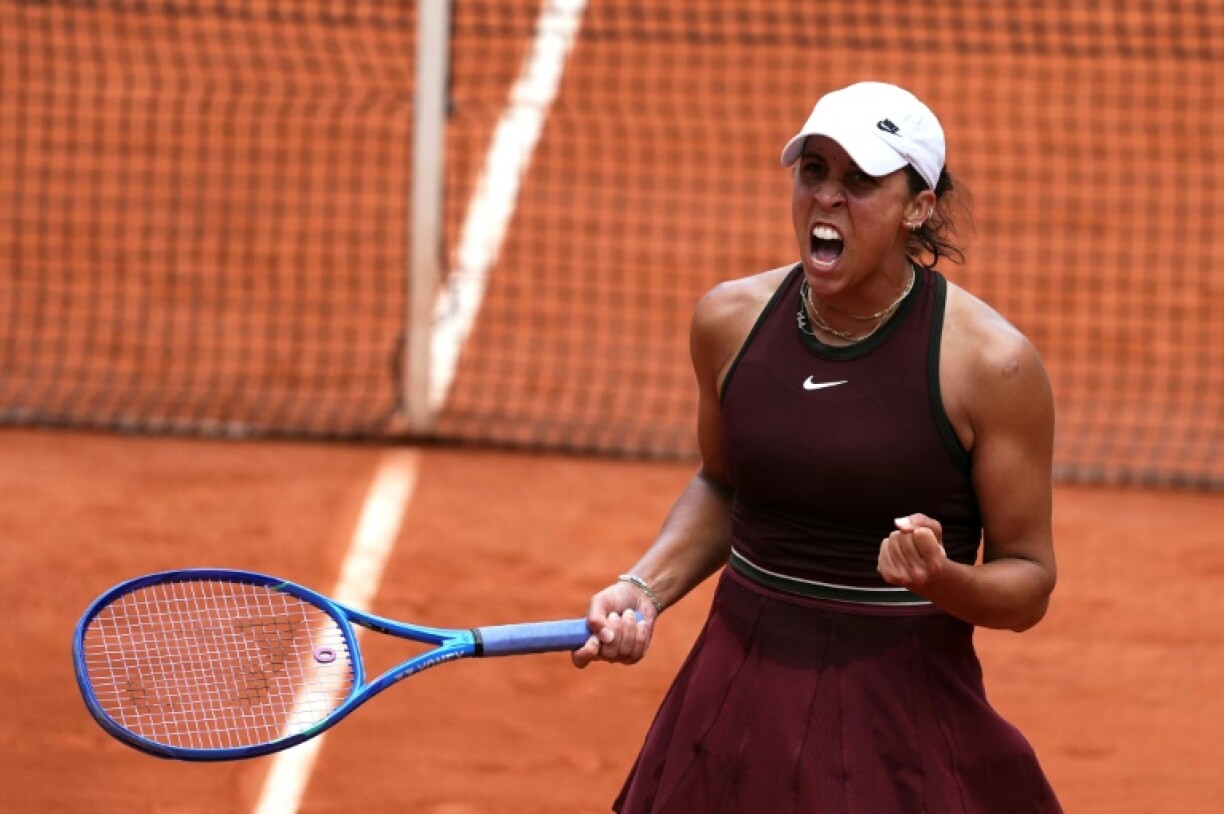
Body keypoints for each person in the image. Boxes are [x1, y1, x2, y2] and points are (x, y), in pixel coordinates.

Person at [571, 81, 1062, 813]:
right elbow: (722, 484)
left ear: (918, 207)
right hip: (731, 708)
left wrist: (940, 578)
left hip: (897, 727)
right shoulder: (729, 321)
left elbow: (1029, 584)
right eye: (814, 171)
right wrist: (644, 587)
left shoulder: (992, 367)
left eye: (860, 181)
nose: (827, 196)